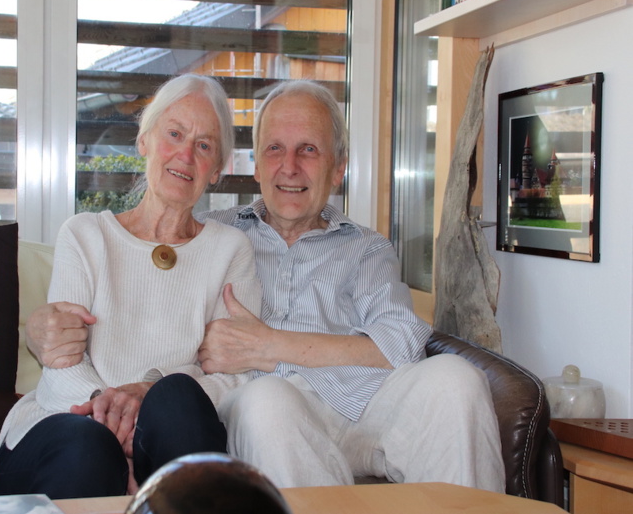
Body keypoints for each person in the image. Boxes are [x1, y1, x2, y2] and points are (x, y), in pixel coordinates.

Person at [25, 80, 506, 492]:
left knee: (456, 380)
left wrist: (272, 346)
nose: (290, 166)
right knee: (268, 400)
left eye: (309, 150)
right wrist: (36, 326)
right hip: (267, 412)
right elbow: (141, 306)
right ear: (254, 167)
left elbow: (402, 342)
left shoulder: (367, 248)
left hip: (366, 406)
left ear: (338, 169)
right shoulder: (211, 237)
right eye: (275, 148)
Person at [0, 74, 262, 499]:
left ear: (217, 170)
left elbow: (236, 377)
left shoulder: (230, 250)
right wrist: (112, 410)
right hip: (63, 428)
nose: (185, 155)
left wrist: (149, 396)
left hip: (170, 440)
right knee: (90, 444)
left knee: (177, 399)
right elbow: (61, 364)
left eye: (204, 145)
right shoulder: (84, 235)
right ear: (144, 141)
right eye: (174, 133)